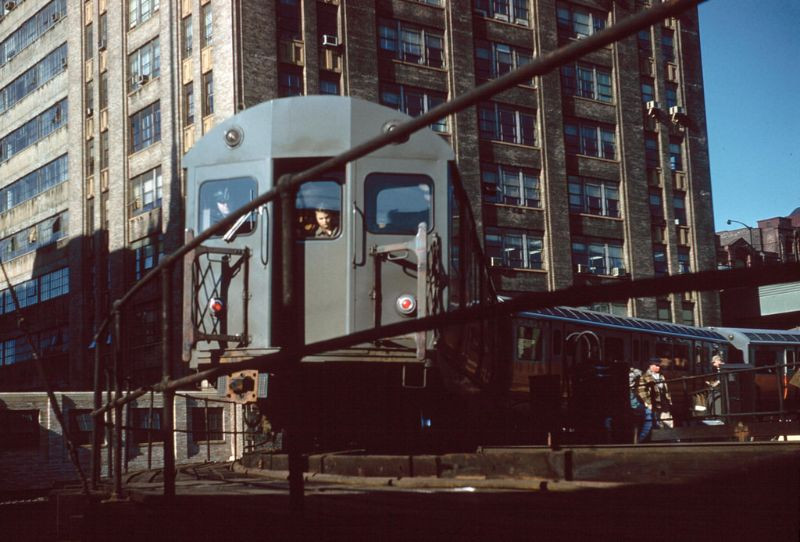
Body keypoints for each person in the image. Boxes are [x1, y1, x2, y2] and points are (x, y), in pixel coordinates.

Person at [637, 359, 673, 441]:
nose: (658, 367)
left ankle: (670, 438)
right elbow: (642, 391)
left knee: (668, 420)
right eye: (656, 365)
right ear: (651, 366)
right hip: (653, 403)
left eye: (659, 365)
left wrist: (669, 400)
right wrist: (648, 402)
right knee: (651, 422)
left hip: (664, 402)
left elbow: (666, 390)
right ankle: (640, 440)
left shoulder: (662, 376)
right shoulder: (645, 377)